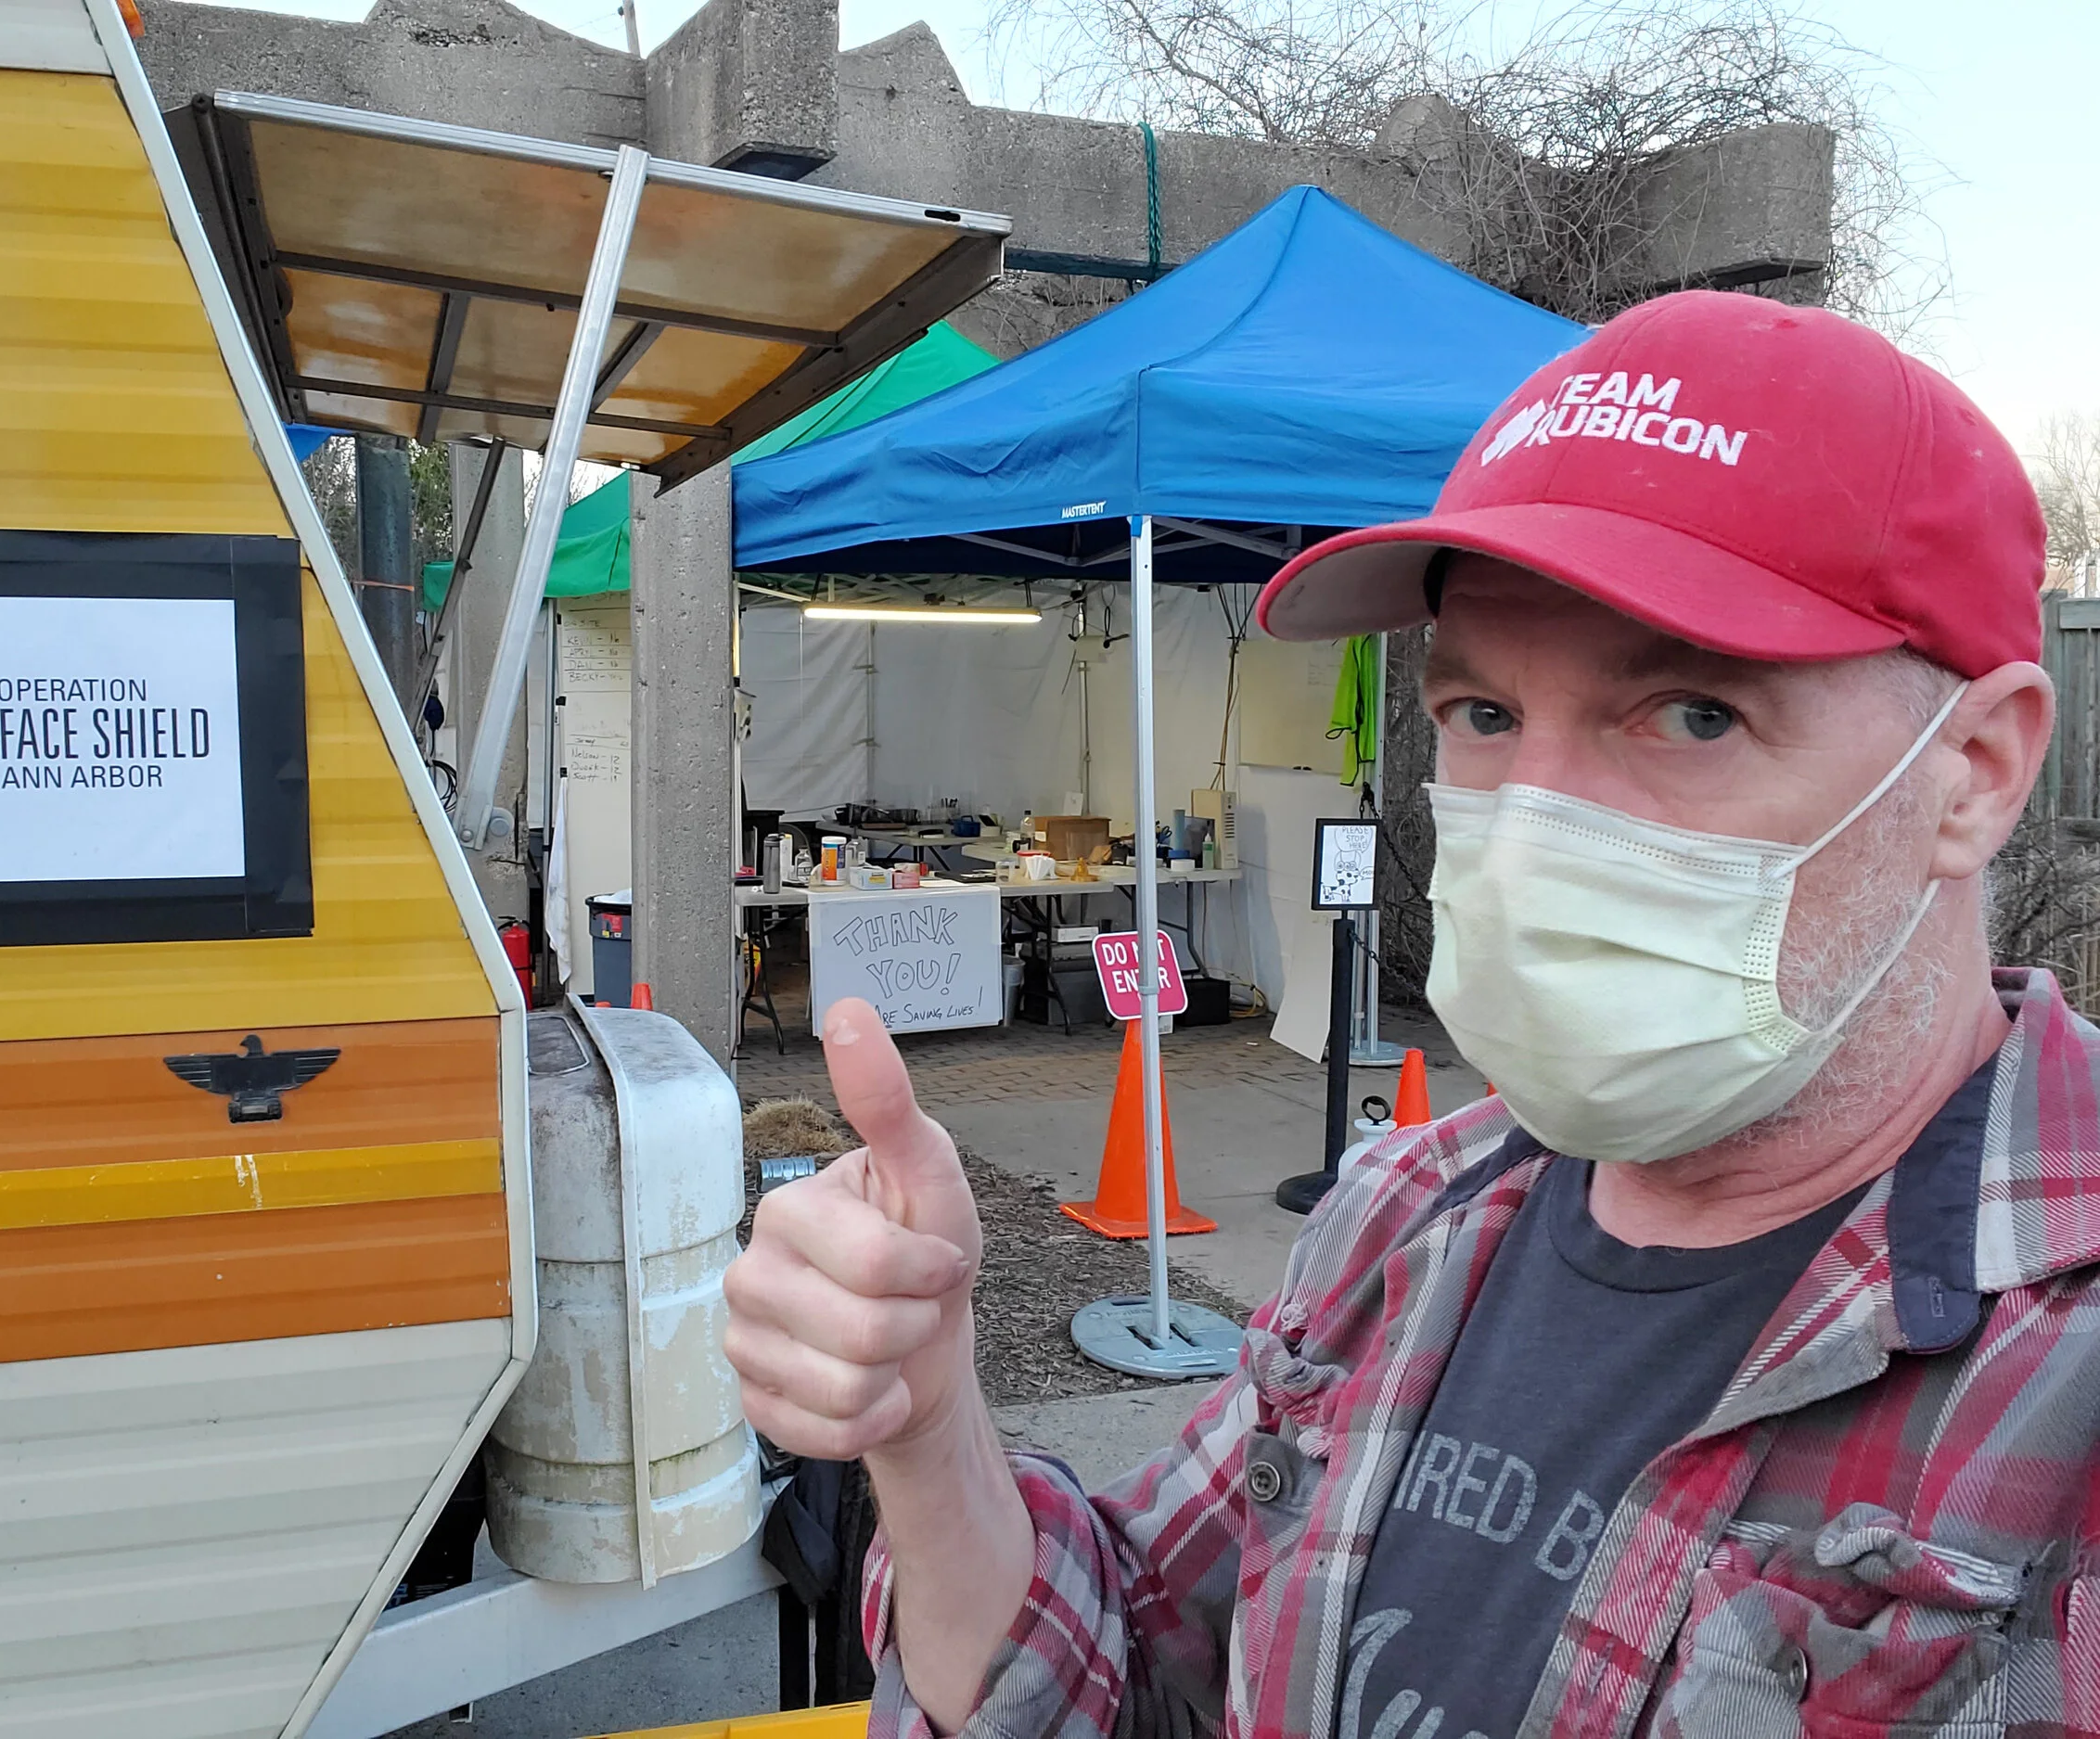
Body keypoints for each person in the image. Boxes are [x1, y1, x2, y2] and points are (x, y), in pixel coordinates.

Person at [723, 290, 2100, 1737]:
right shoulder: (1399, 1217)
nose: (1537, 828)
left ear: (1977, 770)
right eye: (1483, 716)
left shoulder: (2057, 1380)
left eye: (1696, 712)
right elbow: (1134, 1668)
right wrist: (933, 1427)